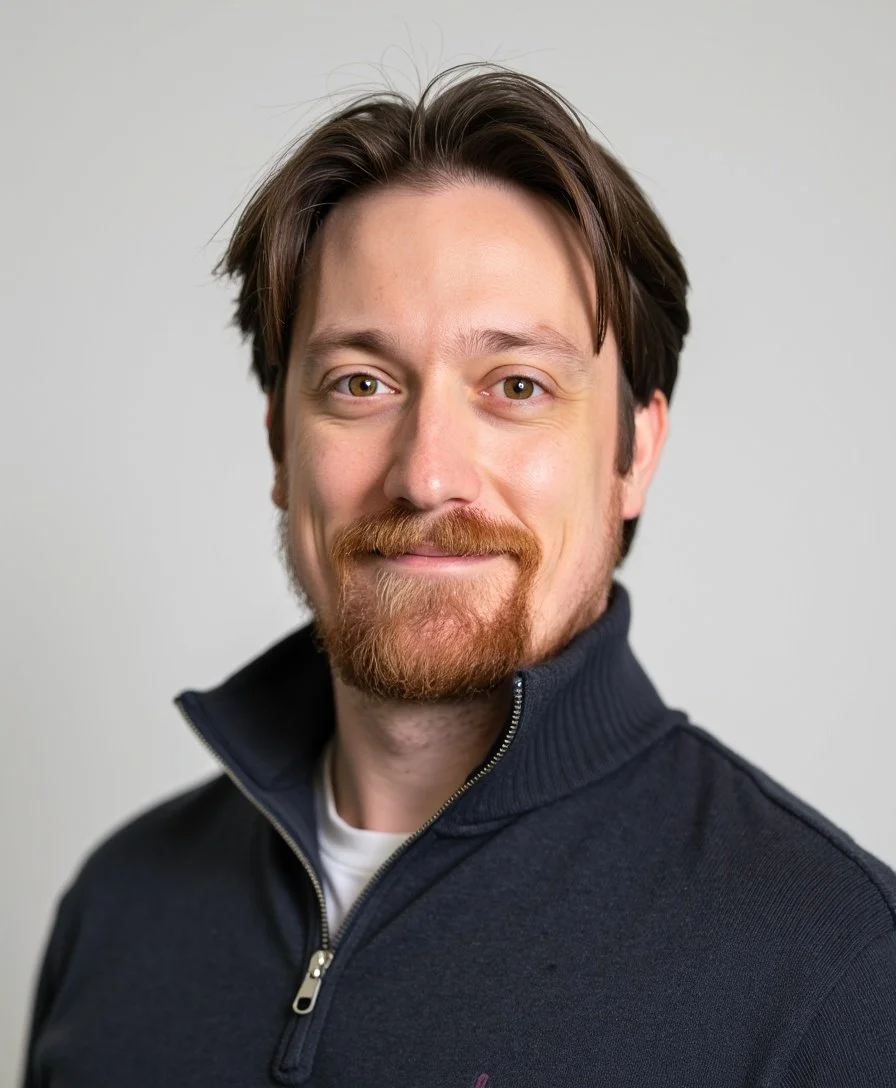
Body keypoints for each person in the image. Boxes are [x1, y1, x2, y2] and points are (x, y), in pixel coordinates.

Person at [22, 65, 896, 1087]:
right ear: (278, 447)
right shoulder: (121, 903)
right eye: (360, 383)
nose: (427, 471)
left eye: (516, 384)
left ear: (632, 452)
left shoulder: (833, 964)